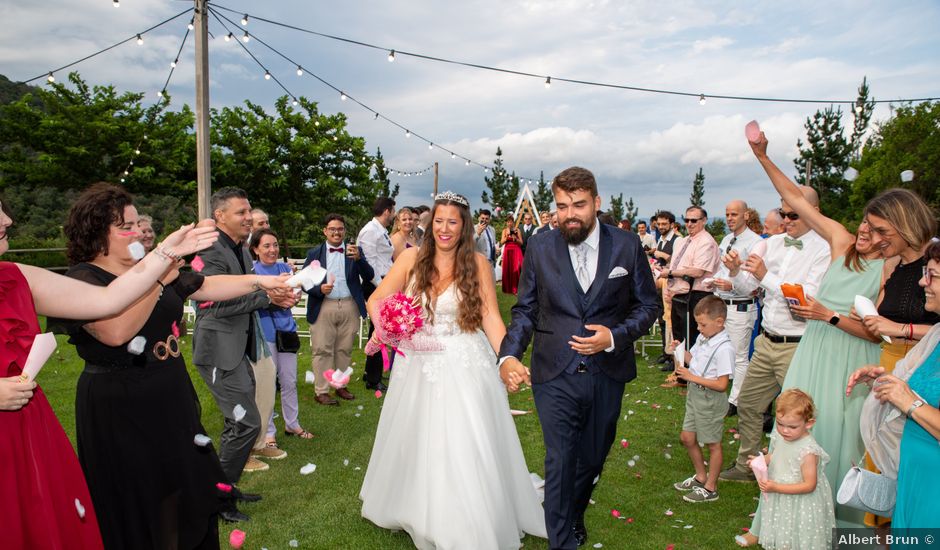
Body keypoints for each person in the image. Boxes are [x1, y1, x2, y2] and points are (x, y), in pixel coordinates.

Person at [53, 184, 290, 543]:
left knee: (186, 489)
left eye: (137, 224)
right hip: (123, 401)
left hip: (169, 389)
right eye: (126, 227)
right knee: (143, 493)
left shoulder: (150, 269)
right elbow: (116, 331)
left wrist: (262, 281)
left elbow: (207, 286)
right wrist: (157, 278)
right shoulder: (83, 278)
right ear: (96, 232)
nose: (138, 234)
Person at [0, 196, 217, 550]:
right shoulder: (81, 269)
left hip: (27, 429)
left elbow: (107, 302)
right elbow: (114, 330)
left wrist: (165, 253)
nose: (7, 218)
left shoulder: (13, 276)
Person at [360, 191, 547, 548]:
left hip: (466, 358)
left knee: (467, 433)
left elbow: (491, 315)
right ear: (431, 225)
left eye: (453, 222)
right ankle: (416, 504)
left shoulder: (477, 263)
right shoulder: (411, 259)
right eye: (439, 221)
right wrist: (393, 333)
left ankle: (470, 513)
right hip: (418, 361)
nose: (445, 229)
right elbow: (376, 300)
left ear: (464, 226)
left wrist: (508, 357)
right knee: (418, 433)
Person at [499, 167, 659, 549]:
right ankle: (562, 541)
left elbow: (649, 305)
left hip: (608, 371)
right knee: (559, 458)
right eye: (562, 205)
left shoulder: (626, 245)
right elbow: (525, 309)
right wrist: (508, 355)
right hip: (554, 372)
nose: (570, 213)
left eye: (579, 204)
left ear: (597, 203)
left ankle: (572, 515)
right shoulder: (539, 246)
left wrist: (613, 337)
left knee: (591, 458)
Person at [745, 131, 887, 527]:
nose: (864, 232)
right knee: (796, 422)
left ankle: (835, 518)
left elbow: (878, 333)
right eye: (865, 223)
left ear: (891, 239)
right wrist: (762, 157)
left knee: (841, 434)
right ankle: (778, 516)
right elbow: (794, 199)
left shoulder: (889, 270)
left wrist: (829, 316)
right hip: (816, 349)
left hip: (851, 352)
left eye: (877, 231)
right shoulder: (842, 241)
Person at [720, 186, 832, 482]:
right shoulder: (773, 243)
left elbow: (805, 297)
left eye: (793, 214)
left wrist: (764, 276)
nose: (786, 220)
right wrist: (735, 272)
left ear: (814, 212)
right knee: (748, 404)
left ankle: (796, 471)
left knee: (797, 413)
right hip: (767, 339)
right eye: (783, 212)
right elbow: (748, 288)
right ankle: (748, 465)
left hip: (798, 344)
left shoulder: (824, 249)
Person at [193, 187, 297, 480]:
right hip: (218, 349)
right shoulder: (210, 250)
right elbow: (212, 303)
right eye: (242, 212)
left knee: (240, 422)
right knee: (246, 423)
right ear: (220, 215)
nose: (249, 218)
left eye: (249, 211)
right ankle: (220, 492)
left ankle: (224, 490)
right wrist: (268, 298)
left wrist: (275, 295)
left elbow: (250, 291)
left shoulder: (239, 247)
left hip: (241, 347)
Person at [853, 188, 937, 527]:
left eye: (933, 276)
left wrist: (909, 401)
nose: (923, 282)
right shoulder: (892, 265)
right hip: (915, 470)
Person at [735, 389, 836, 548]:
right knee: (783, 529)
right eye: (780, 424)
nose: (784, 430)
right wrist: (762, 460)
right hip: (782, 495)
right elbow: (778, 455)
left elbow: (809, 485)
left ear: (809, 423)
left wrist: (776, 487)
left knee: (797, 532)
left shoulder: (808, 451)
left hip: (800, 500)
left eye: (792, 426)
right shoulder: (782, 437)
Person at [303, 214, 374, 406]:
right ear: (325, 231)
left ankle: (340, 386)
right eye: (332, 229)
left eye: (340, 229)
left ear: (344, 231)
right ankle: (322, 391)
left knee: (344, 349)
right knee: (322, 350)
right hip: (324, 304)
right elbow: (305, 282)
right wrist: (319, 289)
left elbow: (369, 275)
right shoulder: (314, 254)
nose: (336, 232)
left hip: (349, 304)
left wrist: (359, 260)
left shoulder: (354, 251)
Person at [670, 295, 734, 503]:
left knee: (713, 444)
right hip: (695, 394)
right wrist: (680, 351)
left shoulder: (725, 348)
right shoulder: (704, 338)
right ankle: (700, 476)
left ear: (719, 322)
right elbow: (693, 360)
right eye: (698, 323)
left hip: (711, 399)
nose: (698, 328)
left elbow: (722, 385)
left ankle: (711, 487)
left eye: (702, 324)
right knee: (687, 438)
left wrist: (692, 377)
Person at [250, 229, 312, 440]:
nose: (272, 249)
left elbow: (293, 295)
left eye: (275, 245)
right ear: (255, 249)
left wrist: (292, 296)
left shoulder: (285, 268)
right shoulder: (251, 272)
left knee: (289, 381)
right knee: (266, 385)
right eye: (266, 246)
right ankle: (268, 432)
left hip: (286, 331)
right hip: (264, 333)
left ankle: (292, 424)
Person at [659, 206, 720, 387]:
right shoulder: (683, 241)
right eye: (686, 220)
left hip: (697, 295)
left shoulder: (706, 242)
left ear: (704, 221)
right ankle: (680, 374)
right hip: (680, 294)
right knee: (679, 336)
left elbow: (698, 271)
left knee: (693, 338)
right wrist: (671, 286)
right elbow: (677, 266)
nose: (690, 224)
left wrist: (670, 273)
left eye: (694, 220)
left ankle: (693, 378)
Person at [710, 200, 762, 413]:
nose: (730, 218)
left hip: (741, 305)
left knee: (740, 355)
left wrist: (731, 282)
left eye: (734, 214)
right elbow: (722, 270)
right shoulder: (727, 239)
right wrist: (715, 281)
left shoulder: (756, 242)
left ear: (746, 216)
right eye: (727, 214)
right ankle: (719, 391)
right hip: (722, 302)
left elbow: (753, 283)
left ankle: (735, 400)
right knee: (721, 350)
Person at [358, 196, 396, 392]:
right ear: (387, 210)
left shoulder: (380, 230)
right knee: (379, 332)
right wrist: (384, 286)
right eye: (394, 210)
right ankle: (373, 379)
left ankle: (370, 372)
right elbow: (368, 263)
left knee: (379, 330)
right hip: (376, 285)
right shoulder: (370, 231)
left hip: (382, 283)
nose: (394, 214)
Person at [500, 213, 524, 295]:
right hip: (508, 251)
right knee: (508, 268)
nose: (510, 223)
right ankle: (508, 289)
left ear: (513, 222)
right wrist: (507, 237)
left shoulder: (517, 230)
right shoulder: (504, 231)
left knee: (517, 268)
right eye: (508, 222)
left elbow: (521, 243)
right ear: (506, 223)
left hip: (516, 250)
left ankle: (517, 288)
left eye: (511, 222)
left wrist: (516, 238)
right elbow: (501, 242)